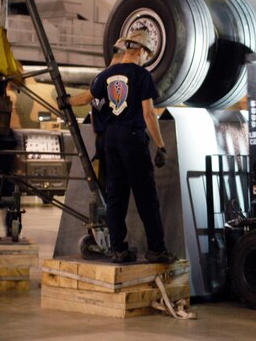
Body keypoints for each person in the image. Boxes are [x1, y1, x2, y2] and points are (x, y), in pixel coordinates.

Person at [69, 28, 176, 264]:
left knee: (116, 196)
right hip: (132, 137)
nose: (146, 58)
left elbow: (86, 98)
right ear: (139, 50)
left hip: (110, 140)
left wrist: (66, 101)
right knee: (146, 196)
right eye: (147, 53)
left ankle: (118, 249)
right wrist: (161, 146)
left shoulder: (105, 75)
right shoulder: (141, 75)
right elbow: (149, 114)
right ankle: (156, 249)